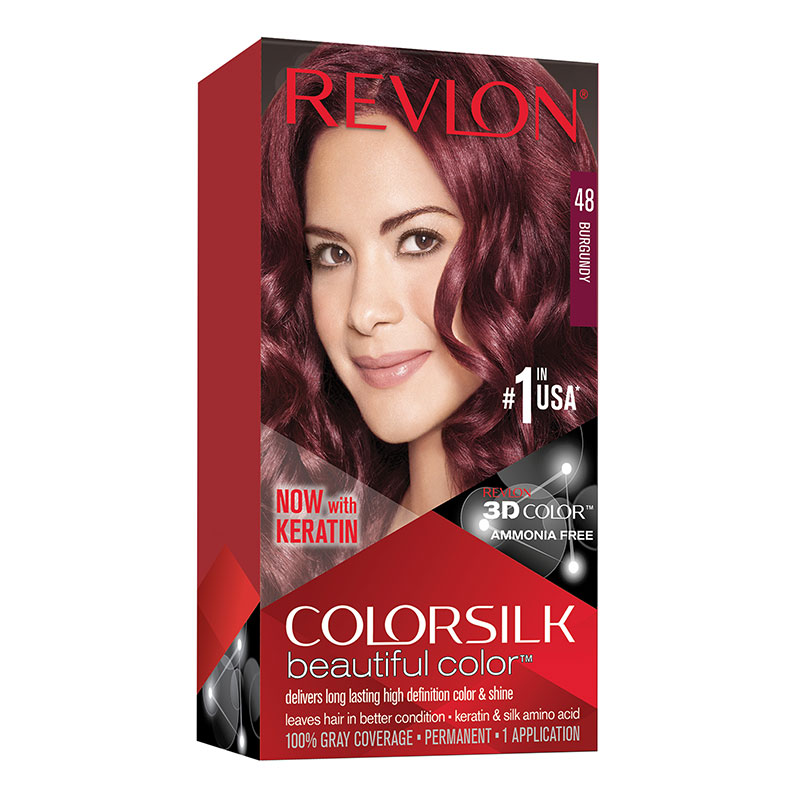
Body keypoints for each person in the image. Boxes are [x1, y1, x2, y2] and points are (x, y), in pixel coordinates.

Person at [260, 44, 597, 600]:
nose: (364, 312)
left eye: (419, 240)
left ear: (527, 253)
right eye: (332, 254)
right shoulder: (292, 548)